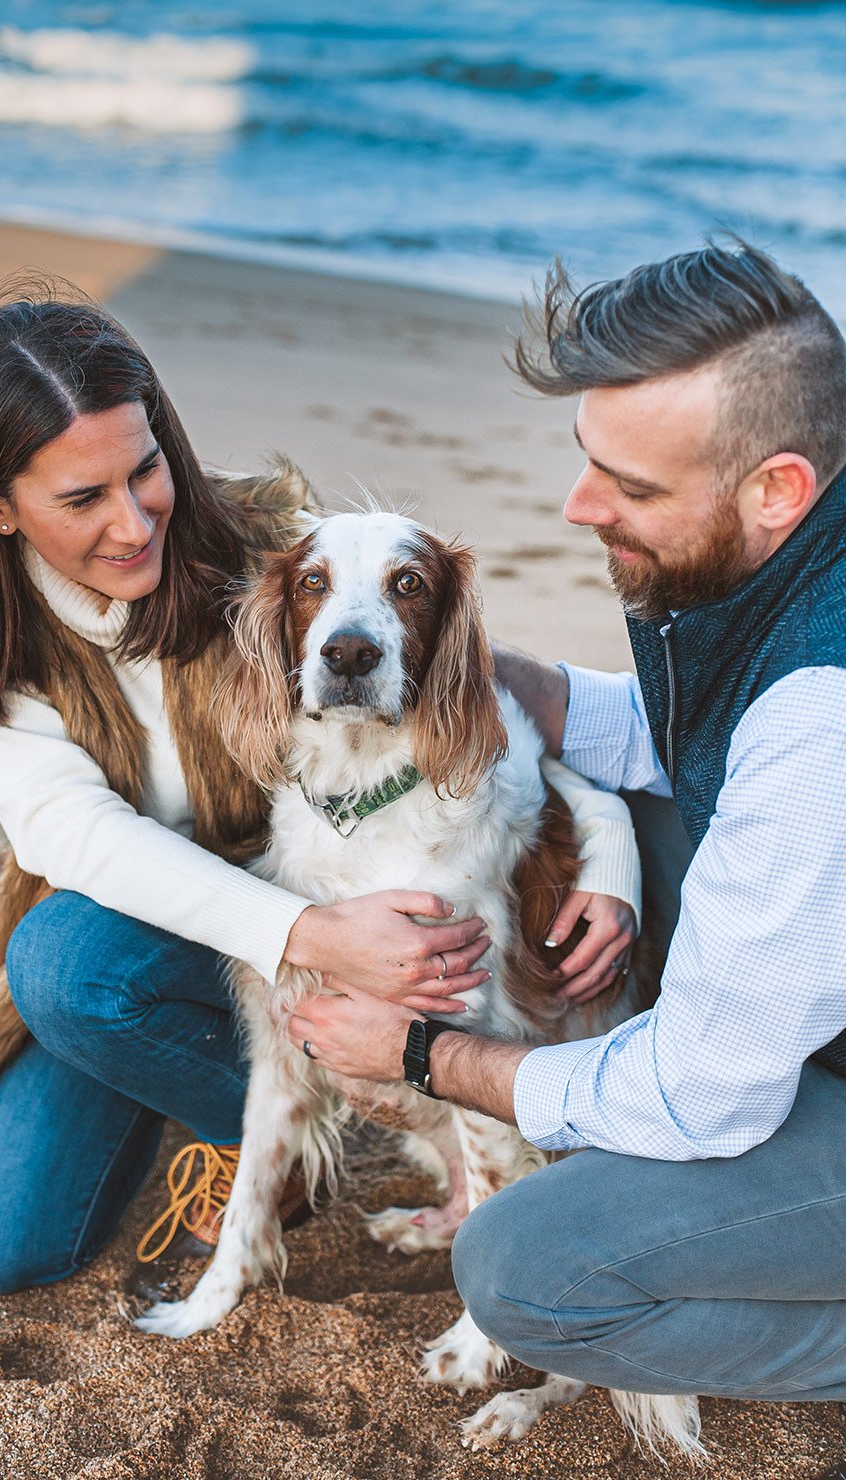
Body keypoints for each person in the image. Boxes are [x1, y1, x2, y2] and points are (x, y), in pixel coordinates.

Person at [0, 285, 642, 1295]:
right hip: (145, 956)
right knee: (1, 1227)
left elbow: (478, 699)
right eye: (81, 499)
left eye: (144, 469)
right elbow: (85, 844)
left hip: (320, 926)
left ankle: (280, 1128)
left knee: (72, 977)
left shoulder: (273, 548)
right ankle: (235, 1113)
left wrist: (608, 842)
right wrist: (315, 936)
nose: (131, 522)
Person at [293, 240, 846, 1405]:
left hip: (764, 1077)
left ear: (775, 489)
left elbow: (700, 1094)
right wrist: (512, 686)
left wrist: (420, 1054)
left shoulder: (820, 721)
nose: (576, 507)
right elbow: (684, 740)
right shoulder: (786, 558)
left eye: (630, 489)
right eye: (589, 461)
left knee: (527, 1267)